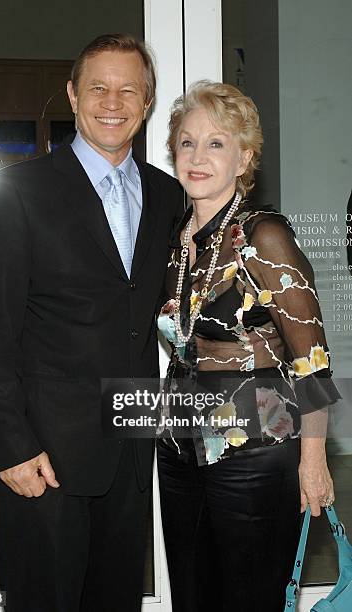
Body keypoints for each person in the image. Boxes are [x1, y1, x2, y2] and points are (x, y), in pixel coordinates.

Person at [0, 34, 183, 612]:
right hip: (45, 456)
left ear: (146, 102)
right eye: (98, 87)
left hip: (131, 454)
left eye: (128, 89)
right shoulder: (16, 192)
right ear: (72, 95)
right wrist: (11, 446)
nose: (112, 101)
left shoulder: (167, 196)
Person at [156, 81, 340, 612]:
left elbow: (312, 361)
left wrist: (313, 461)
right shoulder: (176, 238)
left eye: (216, 143)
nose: (197, 156)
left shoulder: (264, 236)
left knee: (250, 599)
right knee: (193, 597)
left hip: (255, 454)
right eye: (186, 142)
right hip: (177, 449)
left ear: (245, 158)